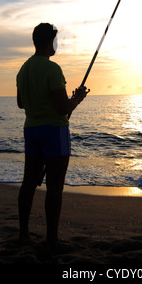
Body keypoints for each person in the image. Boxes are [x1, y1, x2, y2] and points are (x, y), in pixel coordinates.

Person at [16, 23, 88, 249]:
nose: (56, 44)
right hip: (54, 131)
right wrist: (77, 99)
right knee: (55, 186)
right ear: (49, 42)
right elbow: (61, 108)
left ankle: (24, 234)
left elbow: (21, 103)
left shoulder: (23, 69)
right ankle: (51, 239)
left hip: (32, 130)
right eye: (55, 40)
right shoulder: (52, 69)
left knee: (28, 183)